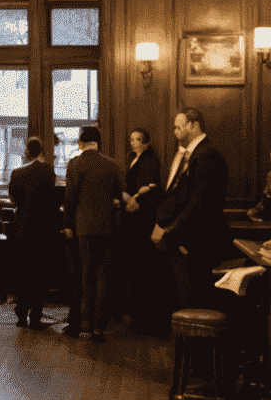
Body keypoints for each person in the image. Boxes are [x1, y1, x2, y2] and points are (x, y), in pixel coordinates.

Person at [152, 107, 230, 308]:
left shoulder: (206, 154)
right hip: (188, 237)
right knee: (186, 296)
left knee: (195, 298)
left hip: (198, 240)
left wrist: (171, 232)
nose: (175, 132)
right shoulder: (196, 154)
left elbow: (199, 204)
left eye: (179, 127)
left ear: (194, 125)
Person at [62, 126, 125, 341]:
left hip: (84, 228)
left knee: (85, 276)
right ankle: (99, 328)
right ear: (98, 143)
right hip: (108, 228)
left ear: (81, 142)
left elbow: (69, 198)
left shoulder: (75, 163)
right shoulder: (112, 164)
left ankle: (81, 324)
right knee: (104, 278)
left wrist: (67, 224)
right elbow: (119, 196)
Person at [9, 137, 61, 329]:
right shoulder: (48, 171)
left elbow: (13, 200)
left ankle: (21, 313)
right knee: (41, 274)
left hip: (23, 228)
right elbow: (52, 199)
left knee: (24, 272)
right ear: (42, 152)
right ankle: (36, 317)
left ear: (27, 152)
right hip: (43, 229)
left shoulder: (17, 172)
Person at [121, 128, 167, 331]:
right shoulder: (131, 157)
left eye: (137, 140)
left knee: (142, 266)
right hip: (132, 215)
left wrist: (136, 199)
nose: (133, 143)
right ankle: (136, 314)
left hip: (143, 218)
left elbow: (152, 187)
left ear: (146, 143)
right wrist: (126, 197)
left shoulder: (150, 159)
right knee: (133, 265)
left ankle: (144, 317)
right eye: (131, 139)